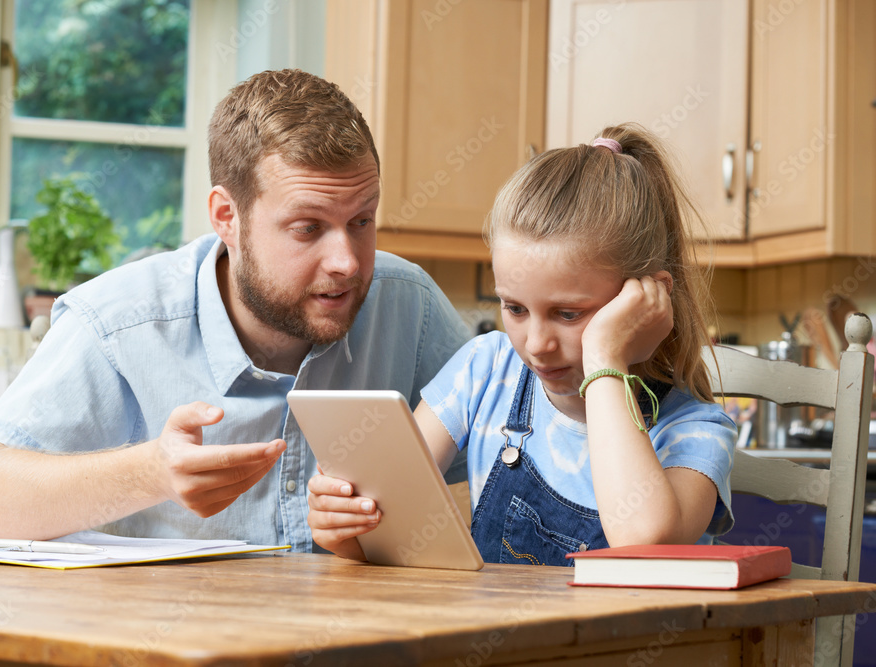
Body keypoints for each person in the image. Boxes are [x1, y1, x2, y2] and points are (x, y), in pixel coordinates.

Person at [0, 69, 470, 550]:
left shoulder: (411, 306)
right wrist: (151, 473)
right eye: (308, 228)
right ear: (225, 217)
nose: (348, 263)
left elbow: (510, 472)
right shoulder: (118, 323)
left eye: (362, 221)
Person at [308, 123, 737, 565]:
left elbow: (641, 540)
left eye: (568, 313)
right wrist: (344, 529)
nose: (536, 344)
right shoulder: (485, 369)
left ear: (645, 302)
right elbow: (387, 525)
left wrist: (605, 359)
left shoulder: (695, 430)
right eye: (514, 308)